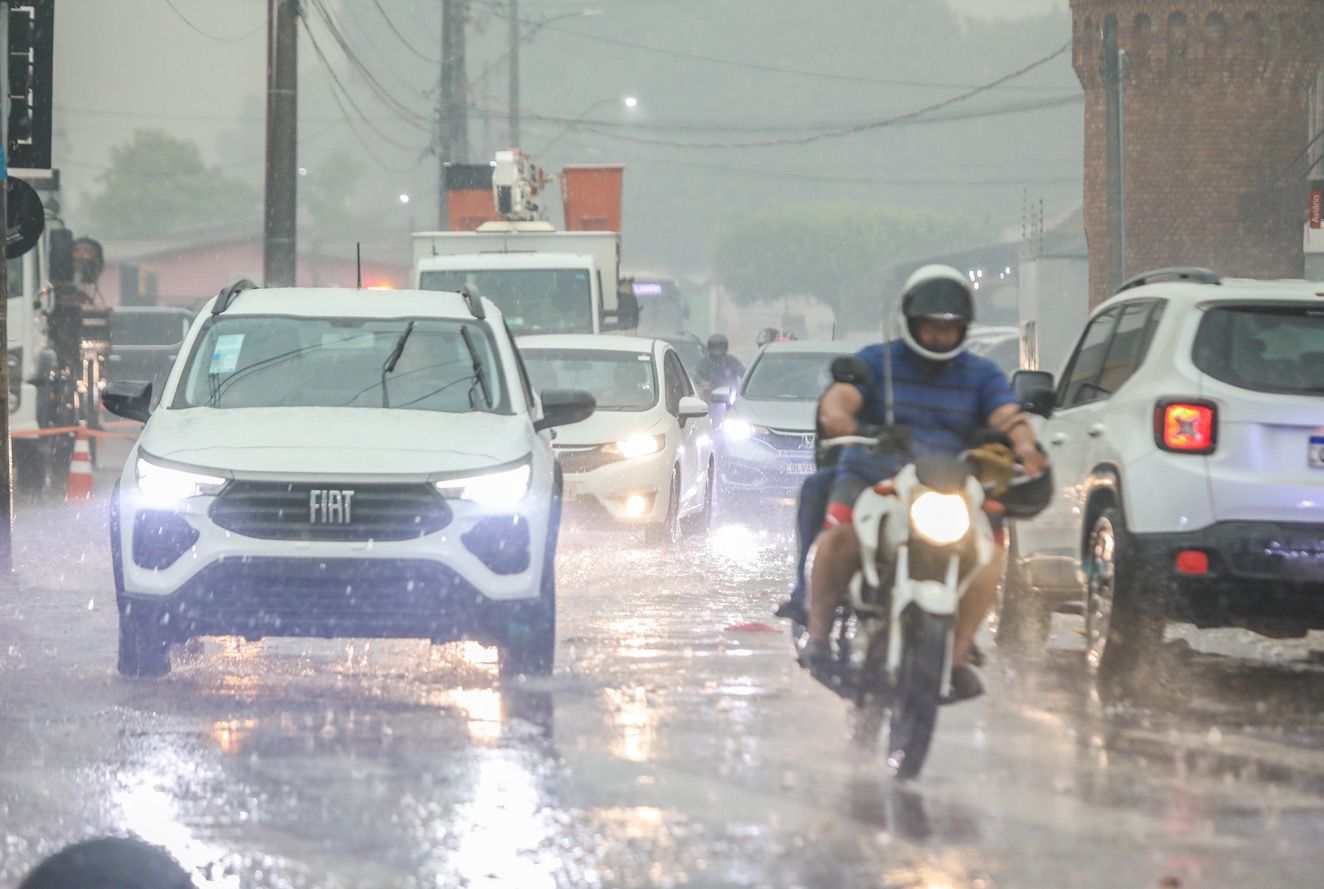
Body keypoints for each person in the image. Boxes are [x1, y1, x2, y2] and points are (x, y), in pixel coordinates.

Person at [801, 264, 1049, 701]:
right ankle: (816, 636)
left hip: (948, 488)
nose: (939, 336)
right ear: (912, 322)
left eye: (949, 329)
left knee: (990, 555)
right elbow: (842, 398)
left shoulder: (982, 375)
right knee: (840, 536)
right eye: (930, 327)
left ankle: (954, 655)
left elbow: (1008, 417)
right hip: (872, 477)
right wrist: (840, 420)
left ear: (963, 329)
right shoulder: (880, 361)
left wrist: (1026, 447)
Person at [694, 333, 745, 401]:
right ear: (710, 349)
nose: (718, 351)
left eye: (720, 348)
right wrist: (702, 382)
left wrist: (745, 383)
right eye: (715, 348)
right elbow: (697, 375)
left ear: (725, 349)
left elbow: (743, 372)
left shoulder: (731, 360)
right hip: (710, 396)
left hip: (730, 393)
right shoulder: (704, 362)